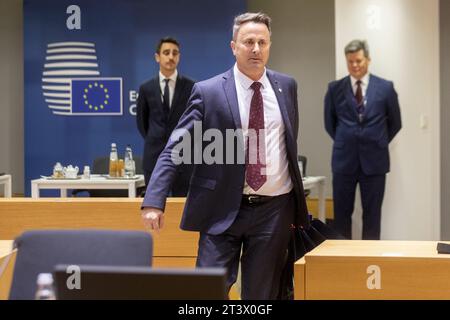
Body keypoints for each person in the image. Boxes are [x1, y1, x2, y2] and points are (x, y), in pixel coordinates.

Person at [140, 12, 309, 299]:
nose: (256, 49)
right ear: (233, 46)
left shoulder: (286, 86)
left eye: (262, 42)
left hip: (274, 211)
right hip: (221, 209)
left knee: (261, 296)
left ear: (269, 45)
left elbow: (286, 144)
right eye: (248, 42)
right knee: (207, 292)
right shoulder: (208, 92)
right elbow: (176, 147)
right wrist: (154, 200)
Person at [324, 39, 402, 240]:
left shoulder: (385, 88)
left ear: (368, 59)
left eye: (358, 60)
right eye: (350, 62)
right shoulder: (335, 89)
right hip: (344, 162)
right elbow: (329, 124)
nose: (355, 65)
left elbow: (395, 123)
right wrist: (348, 139)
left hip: (375, 162)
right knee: (341, 216)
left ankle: (370, 260)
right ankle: (343, 262)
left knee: (372, 216)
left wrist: (378, 140)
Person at [136, 37, 195, 196]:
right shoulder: (146, 88)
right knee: (152, 206)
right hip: (154, 157)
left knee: (181, 208)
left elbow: (195, 121)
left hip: (183, 157)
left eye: (175, 53)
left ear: (179, 57)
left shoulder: (191, 87)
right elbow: (142, 123)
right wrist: (156, 137)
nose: (170, 57)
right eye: (166, 52)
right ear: (157, 57)